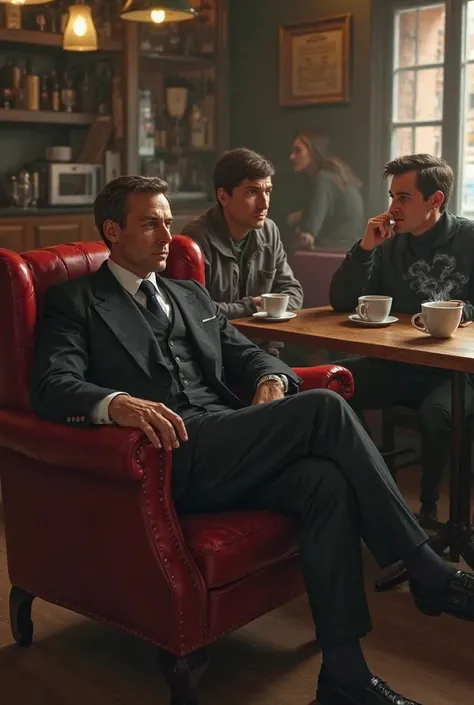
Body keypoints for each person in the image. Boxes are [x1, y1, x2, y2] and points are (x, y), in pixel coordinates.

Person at [32, 175, 474, 705]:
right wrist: (116, 403)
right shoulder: (76, 301)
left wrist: (272, 377)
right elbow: (52, 385)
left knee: (325, 482)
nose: (166, 235)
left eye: (169, 223)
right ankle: (427, 572)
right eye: (150, 224)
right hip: (167, 457)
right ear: (112, 231)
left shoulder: (187, 292)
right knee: (325, 408)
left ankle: (345, 678)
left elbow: (247, 353)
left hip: (226, 442)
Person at [329, 153, 474, 526]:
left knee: (438, 416)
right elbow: (342, 302)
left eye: (404, 198)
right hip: (396, 363)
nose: (392, 207)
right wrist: (364, 248)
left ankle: (429, 511)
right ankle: (373, 485)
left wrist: (460, 312)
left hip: (452, 372)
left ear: (435, 200)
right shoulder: (389, 243)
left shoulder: (470, 239)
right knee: (331, 384)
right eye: (392, 196)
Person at [182, 147, 303, 320]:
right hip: (220, 344)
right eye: (252, 192)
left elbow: (293, 291)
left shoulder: (269, 231)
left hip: (267, 341)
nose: (264, 204)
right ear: (223, 197)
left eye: (267, 192)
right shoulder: (197, 237)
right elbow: (194, 308)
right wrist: (250, 307)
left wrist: (262, 307)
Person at [288, 130, 365, 251]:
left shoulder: (323, 178)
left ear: (313, 153)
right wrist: (303, 214)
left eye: (298, 151)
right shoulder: (334, 175)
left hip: (333, 252)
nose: (291, 156)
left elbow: (308, 235)